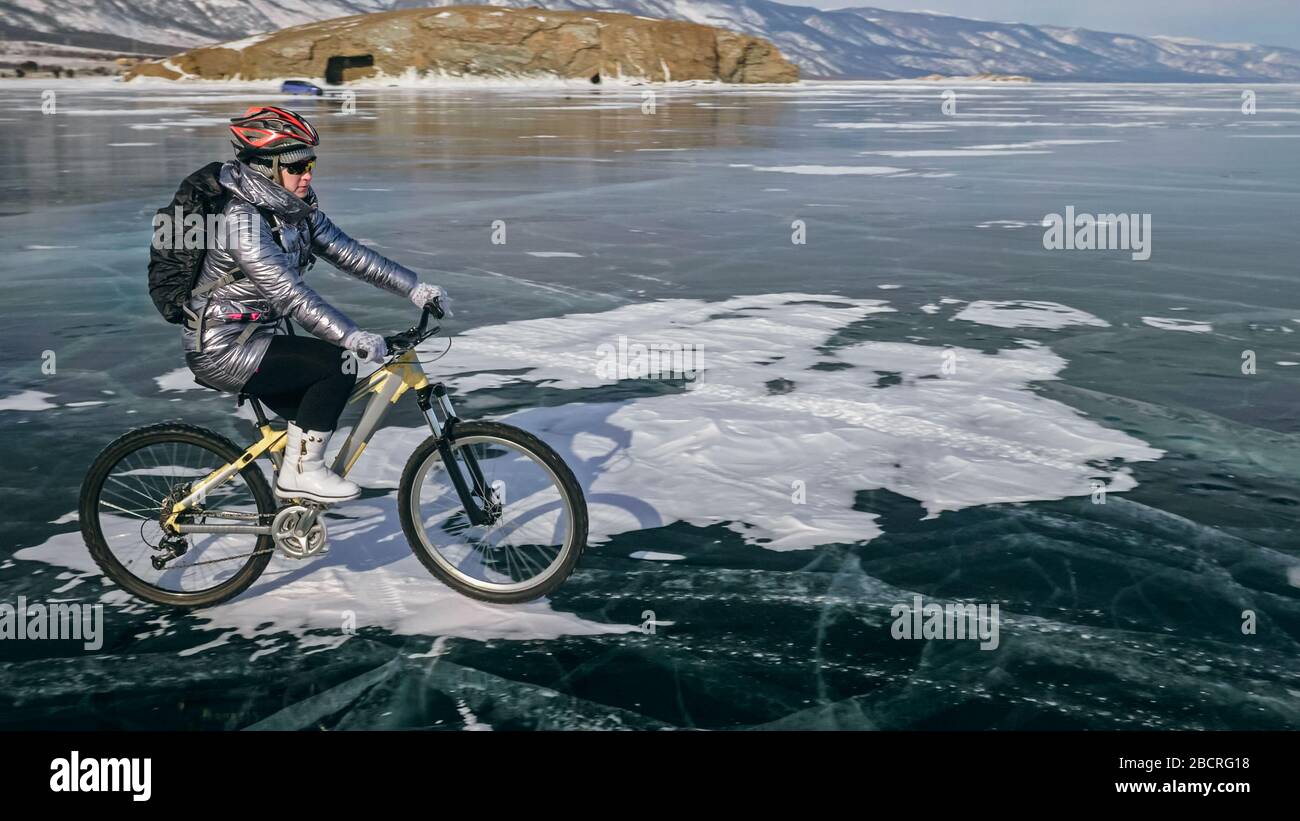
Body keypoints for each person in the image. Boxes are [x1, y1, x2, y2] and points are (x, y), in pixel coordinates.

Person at [181, 105, 450, 505]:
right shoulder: (243, 220)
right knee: (335, 367)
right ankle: (301, 475)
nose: (307, 173)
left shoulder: (295, 213)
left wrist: (414, 288)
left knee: (312, 413)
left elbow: (352, 254)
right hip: (224, 346)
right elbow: (288, 293)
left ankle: (294, 506)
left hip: (259, 336)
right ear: (266, 168)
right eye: (296, 166)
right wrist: (350, 336)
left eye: (310, 163)